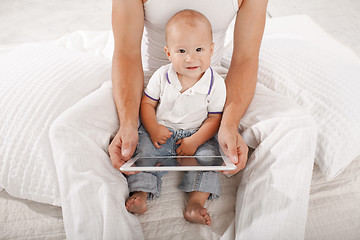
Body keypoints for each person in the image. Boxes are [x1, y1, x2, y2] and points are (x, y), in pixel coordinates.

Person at [49, 0, 318, 239]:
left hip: (216, 81)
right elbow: (127, 52)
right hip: (151, 83)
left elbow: (245, 57)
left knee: (297, 127)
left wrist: (229, 123)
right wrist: (129, 123)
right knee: (68, 130)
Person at [125, 10, 226, 226]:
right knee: (144, 151)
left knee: (210, 157)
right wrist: (152, 127)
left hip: (197, 134)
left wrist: (196, 141)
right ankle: (142, 193)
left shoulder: (215, 83)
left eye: (199, 49)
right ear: (168, 53)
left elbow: (214, 119)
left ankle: (195, 202)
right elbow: (147, 104)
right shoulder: (162, 75)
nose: (191, 58)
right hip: (162, 131)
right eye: (181, 50)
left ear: (211, 50)